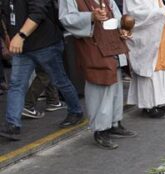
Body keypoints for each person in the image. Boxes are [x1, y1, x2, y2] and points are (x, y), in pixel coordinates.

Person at [0, 0, 86, 141]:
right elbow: (7, 14)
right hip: (22, 48)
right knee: (16, 85)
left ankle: (76, 111)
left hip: (45, 44)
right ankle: (12, 125)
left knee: (60, 80)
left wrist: (20, 36)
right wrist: (9, 36)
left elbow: (37, 12)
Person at [59, 0, 136, 149]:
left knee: (116, 83)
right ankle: (101, 130)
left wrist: (122, 28)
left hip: (112, 42)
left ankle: (114, 123)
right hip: (92, 44)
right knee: (99, 84)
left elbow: (115, 15)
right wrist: (90, 17)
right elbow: (66, 19)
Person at [124, 0, 165, 117]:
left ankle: (160, 102)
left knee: (163, 70)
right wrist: (161, 12)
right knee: (150, 73)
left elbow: (161, 9)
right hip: (147, 38)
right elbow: (134, 14)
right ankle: (148, 106)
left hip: (161, 35)